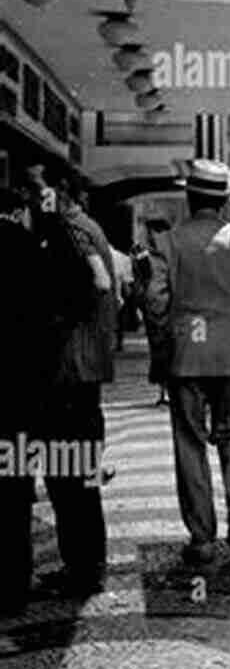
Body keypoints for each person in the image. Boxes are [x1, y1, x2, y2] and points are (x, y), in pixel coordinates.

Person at [144, 159, 230, 565]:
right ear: (224, 202)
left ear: (189, 197)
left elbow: (155, 302)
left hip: (187, 355)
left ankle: (202, 538)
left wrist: (160, 351)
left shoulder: (167, 242)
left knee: (190, 443)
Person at [29, 166, 116, 596]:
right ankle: (86, 565)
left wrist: (55, 319)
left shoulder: (72, 232)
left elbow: (98, 283)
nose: (37, 199)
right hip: (82, 371)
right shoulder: (86, 228)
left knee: (69, 477)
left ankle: (82, 570)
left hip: (69, 372)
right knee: (77, 476)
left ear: (60, 193)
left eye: (41, 190)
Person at [0, 187, 60, 612]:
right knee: (15, 489)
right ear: (19, 212)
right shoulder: (29, 249)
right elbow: (47, 322)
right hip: (19, 390)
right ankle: (13, 585)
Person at [137, 220, 172, 405]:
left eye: (152, 233)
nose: (149, 237)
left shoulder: (173, 255)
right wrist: (142, 302)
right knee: (157, 349)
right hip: (154, 309)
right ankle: (162, 390)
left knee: (170, 349)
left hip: (171, 308)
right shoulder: (144, 256)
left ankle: (169, 389)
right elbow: (140, 281)